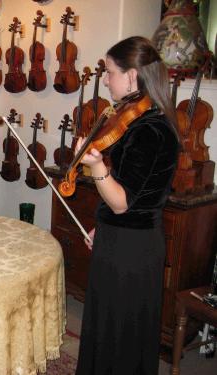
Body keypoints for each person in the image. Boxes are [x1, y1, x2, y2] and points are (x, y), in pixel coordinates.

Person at [74, 36, 179, 375]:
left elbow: (123, 203)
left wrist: (97, 167)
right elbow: (129, 197)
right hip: (121, 239)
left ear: (132, 76)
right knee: (106, 331)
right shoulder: (135, 121)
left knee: (121, 339)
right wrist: (101, 227)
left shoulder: (152, 130)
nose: (105, 80)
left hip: (133, 251)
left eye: (109, 72)